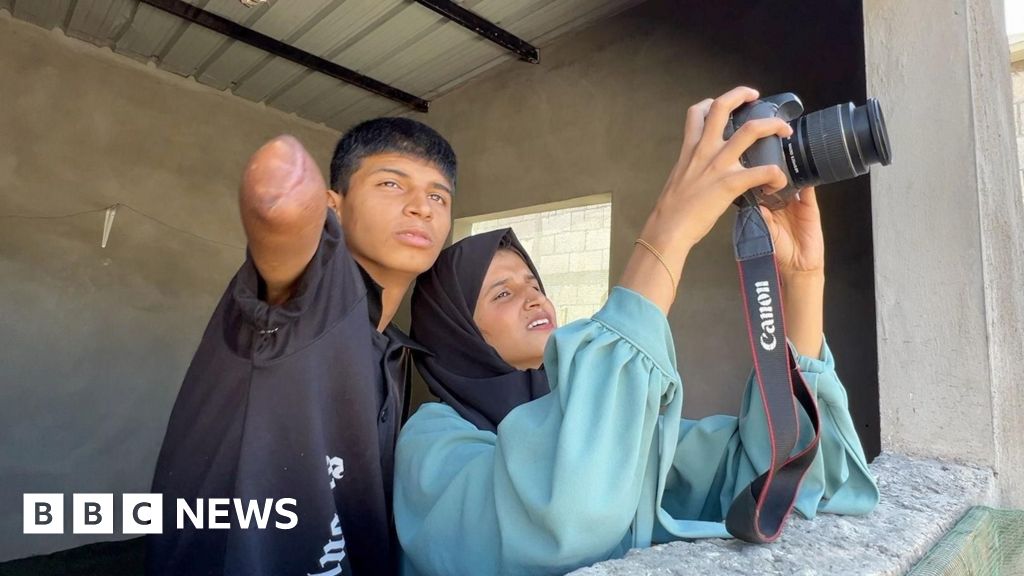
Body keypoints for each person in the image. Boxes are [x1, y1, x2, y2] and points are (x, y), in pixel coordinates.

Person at [394, 87, 880, 576]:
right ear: (456, 333)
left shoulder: (594, 412)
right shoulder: (431, 444)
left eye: (533, 282)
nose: (534, 297)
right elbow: (564, 519)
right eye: (502, 293)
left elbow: (785, 476)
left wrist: (801, 280)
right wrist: (669, 229)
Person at [147, 118, 456, 576]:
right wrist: (289, 197)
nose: (421, 208)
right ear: (334, 206)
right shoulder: (312, 296)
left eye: (438, 196)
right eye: (392, 183)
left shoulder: (391, 347)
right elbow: (286, 219)